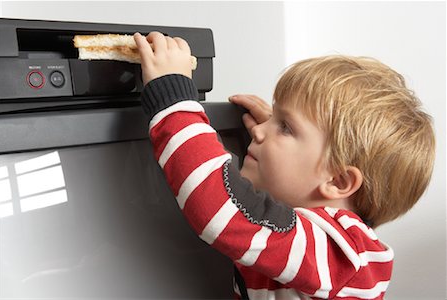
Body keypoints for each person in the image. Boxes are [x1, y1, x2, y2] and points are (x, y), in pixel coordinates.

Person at [133, 32, 435, 299]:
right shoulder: (326, 244)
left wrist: (173, 100)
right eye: (273, 118)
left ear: (338, 181)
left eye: (286, 127)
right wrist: (281, 139)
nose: (261, 131)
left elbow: (221, 208)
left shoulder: (339, 253)